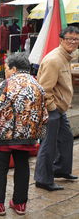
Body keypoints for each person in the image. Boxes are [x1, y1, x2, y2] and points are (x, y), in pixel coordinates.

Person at [0, 53, 48, 216]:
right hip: (28, 137)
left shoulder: (7, 84)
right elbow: (44, 115)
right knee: (22, 166)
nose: (5, 71)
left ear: (13, 69)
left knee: (0, 167)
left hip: (6, 135)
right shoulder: (38, 86)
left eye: (6, 68)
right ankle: (20, 204)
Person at [34, 26, 79, 191]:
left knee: (66, 138)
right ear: (62, 40)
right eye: (69, 39)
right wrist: (52, 109)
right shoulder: (54, 59)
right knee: (48, 145)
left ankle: (60, 169)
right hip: (51, 109)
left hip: (60, 109)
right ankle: (43, 179)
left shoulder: (66, 56)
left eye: (76, 39)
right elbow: (44, 90)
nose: (73, 42)